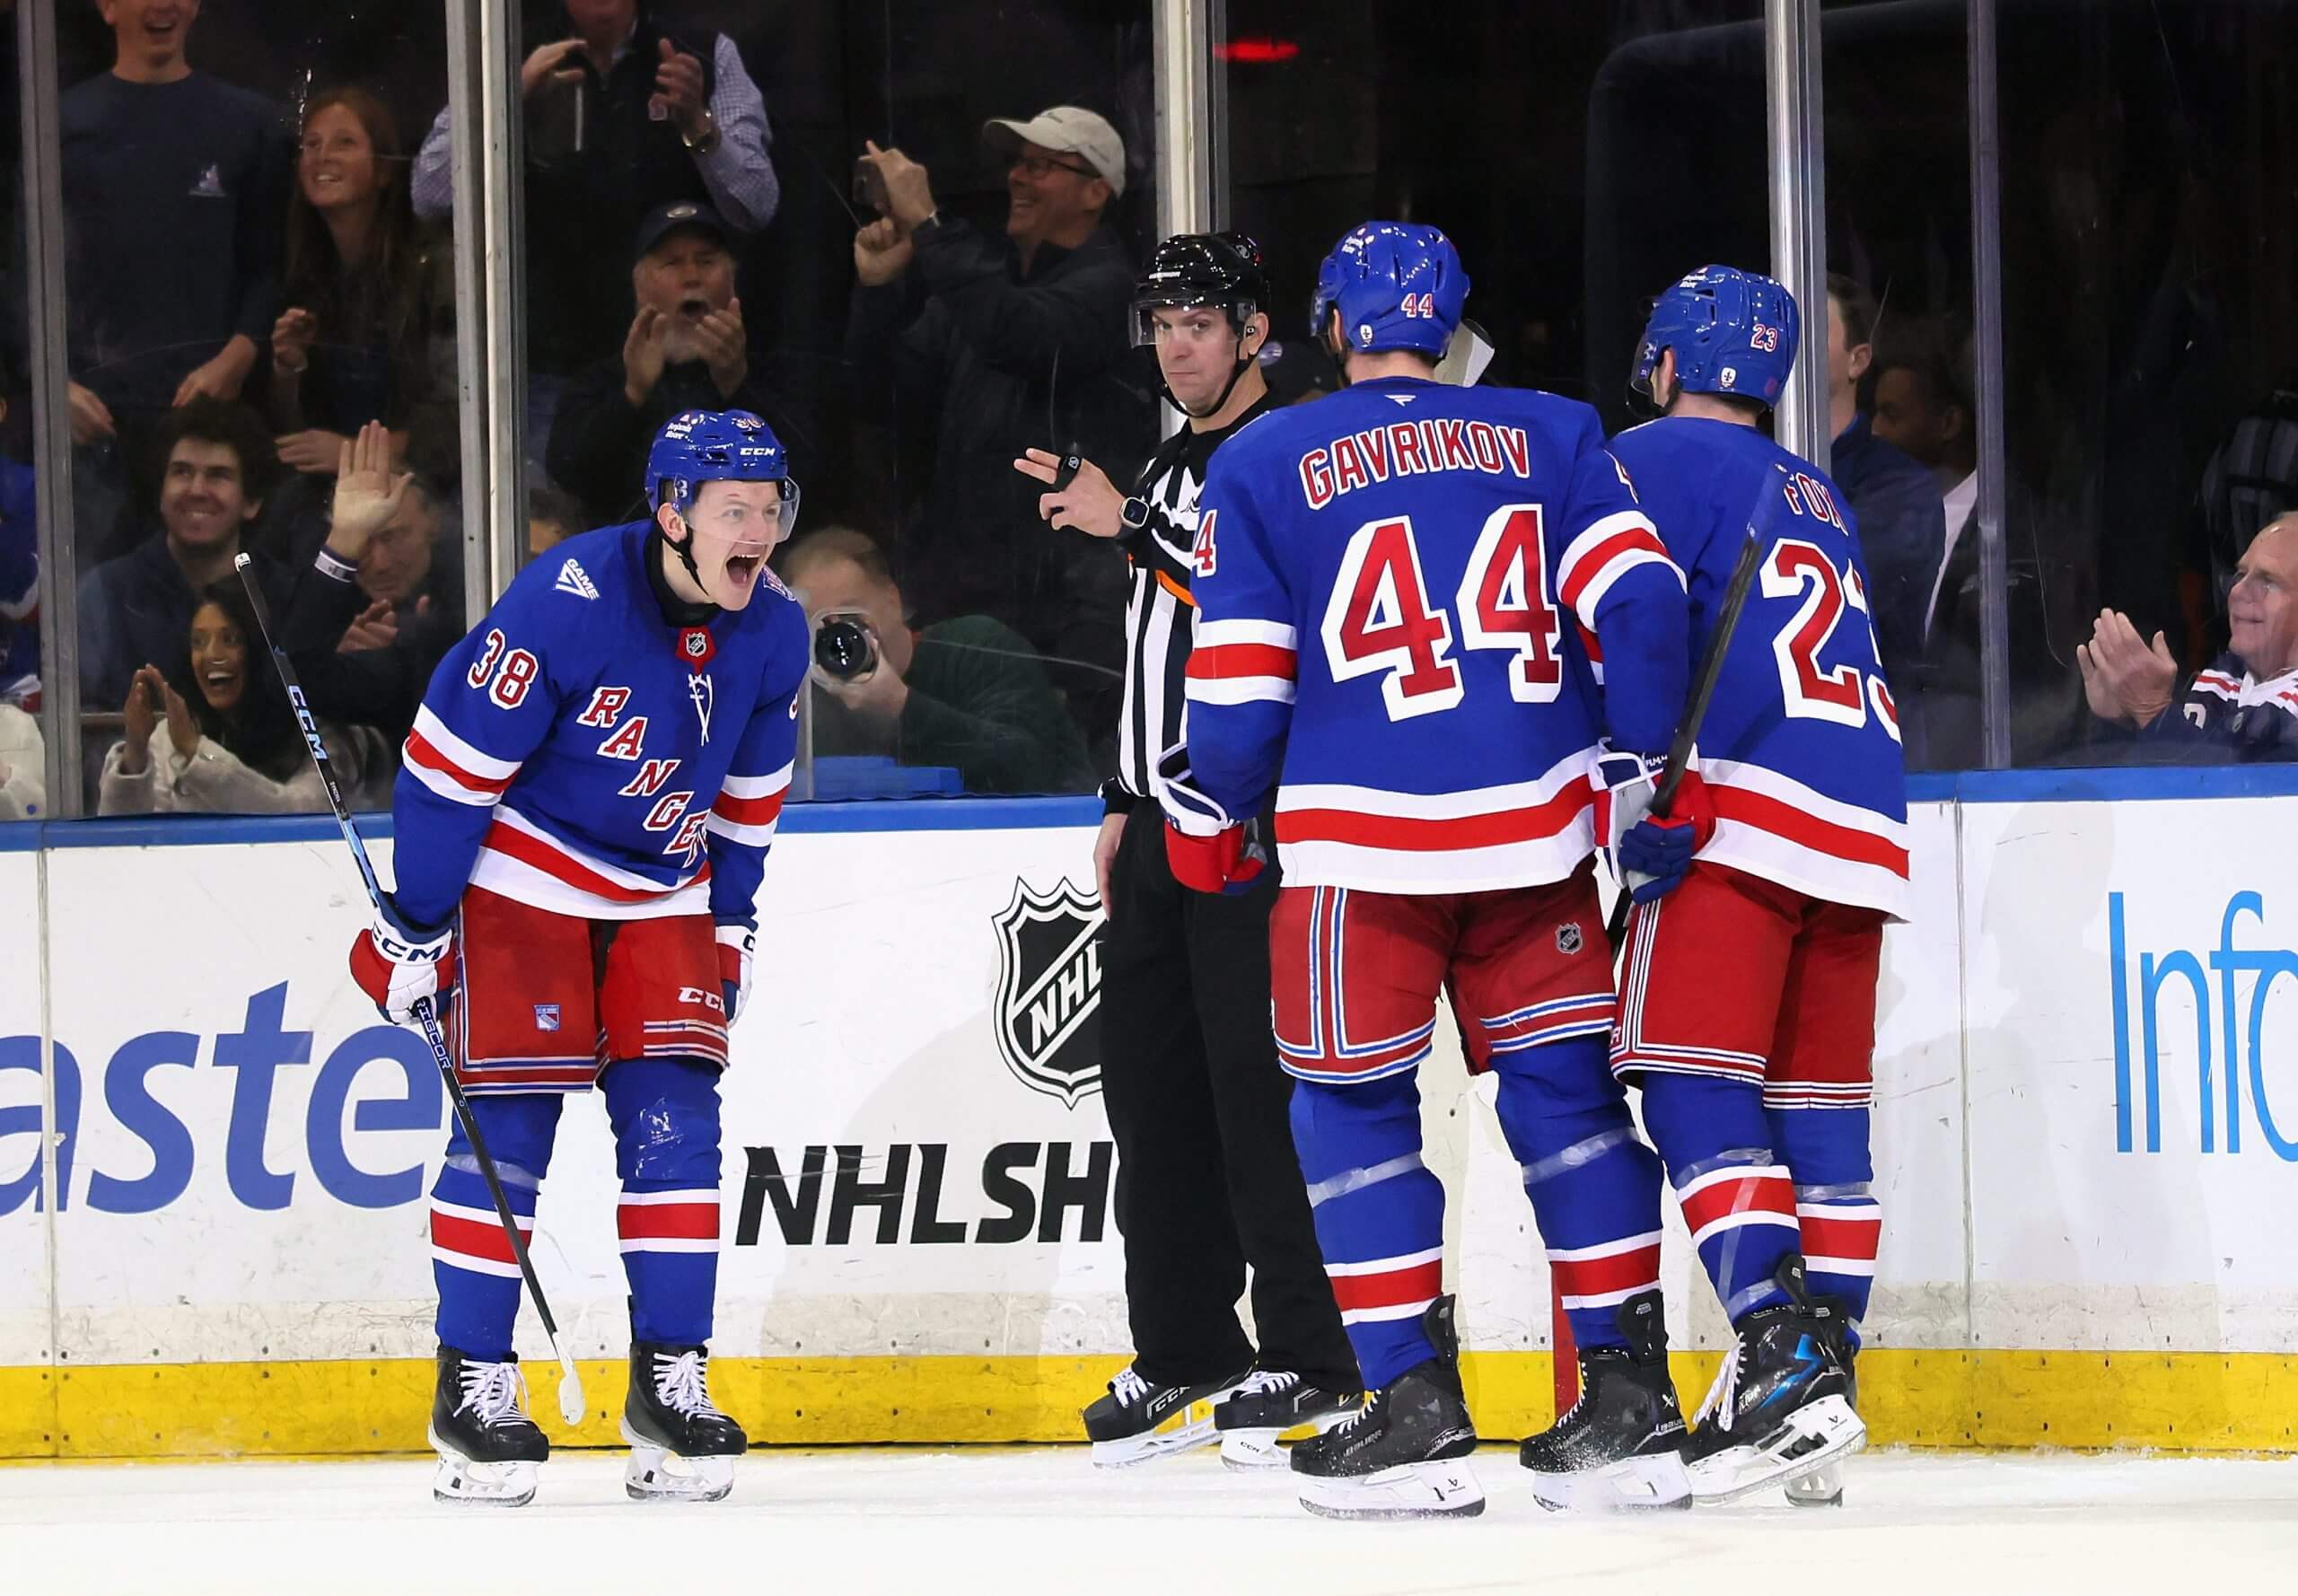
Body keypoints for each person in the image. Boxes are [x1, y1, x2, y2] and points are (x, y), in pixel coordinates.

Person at [1159, 222, 1693, 1519]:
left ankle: (1413, 1399)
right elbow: (1644, 606)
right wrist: (1646, 772)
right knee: (1567, 1106)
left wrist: (1213, 808)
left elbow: (1237, 684)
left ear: (1333, 326)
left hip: (1358, 845)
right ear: (1453, 325)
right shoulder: (1557, 431)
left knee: (1348, 1111)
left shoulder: (1265, 453)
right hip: (1536, 841)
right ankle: (1631, 1394)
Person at [347, 408, 807, 1507]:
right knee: (506, 1124)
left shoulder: (774, 628)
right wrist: (414, 923)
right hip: (521, 878)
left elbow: (748, 805)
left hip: (663, 891)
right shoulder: (566, 600)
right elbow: (446, 769)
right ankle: (472, 1382)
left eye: (770, 509)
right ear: (668, 512)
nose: (758, 531)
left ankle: (669, 1382)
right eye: (733, 510)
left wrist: (730, 926)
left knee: (676, 1123)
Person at [1005, 233, 1359, 1467]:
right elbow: (1157, 650)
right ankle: (1186, 1349)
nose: (1176, 345)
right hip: (1158, 826)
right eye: (1160, 323)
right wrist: (1118, 790)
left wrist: (1130, 518)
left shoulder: (1296, 451)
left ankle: (1317, 1358)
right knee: (1152, 1103)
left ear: (1257, 329)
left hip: (1253, 833)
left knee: (1258, 1104)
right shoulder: (1171, 458)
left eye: (1200, 322)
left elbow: (1270, 602)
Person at [1592, 266, 1903, 1507]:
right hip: (1861, 819)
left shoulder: (1645, 459)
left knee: (1688, 1081)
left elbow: (1634, 613)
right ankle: (1824, 1380)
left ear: (1665, 362)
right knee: (1823, 1117)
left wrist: (1628, 786)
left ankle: (1776, 1354)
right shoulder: (1816, 483)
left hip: (1734, 805)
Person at [845, 106, 1150, 751]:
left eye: (1042, 165)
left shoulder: (1113, 288)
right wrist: (877, 290)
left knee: (1058, 777)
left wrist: (929, 224)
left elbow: (1024, 334)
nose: (1019, 177)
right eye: (1017, 163)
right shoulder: (980, 293)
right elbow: (881, 398)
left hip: (1069, 624)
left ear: (1097, 193)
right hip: (971, 603)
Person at [411, 1, 778, 445]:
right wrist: (508, 101)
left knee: (682, 507)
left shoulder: (700, 53)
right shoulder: (506, 51)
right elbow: (428, 195)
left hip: (684, 371)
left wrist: (698, 123)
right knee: (549, 511)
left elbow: (757, 204)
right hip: (544, 371)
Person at [60, 0, 291, 558]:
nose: (163, 5)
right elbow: (22, 275)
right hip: (92, 431)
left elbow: (271, 264)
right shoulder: (59, 125)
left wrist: (238, 354)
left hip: (207, 429)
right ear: (107, 7)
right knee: (95, 618)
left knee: (217, 626)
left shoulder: (249, 122)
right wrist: (51, 387)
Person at [778, 528, 1088, 795]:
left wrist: (899, 705)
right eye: (818, 626)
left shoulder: (977, 649)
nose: (838, 637)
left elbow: (1030, 770)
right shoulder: (806, 697)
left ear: (892, 599)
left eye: (848, 616)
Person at [547, 202, 790, 529]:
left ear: (732, 283)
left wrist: (736, 385)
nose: (691, 277)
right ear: (641, 286)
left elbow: (805, 480)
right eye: (672, 263)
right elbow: (568, 474)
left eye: (706, 262)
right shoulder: (603, 382)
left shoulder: (771, 377)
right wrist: (632, 395)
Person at [270, 86, 457, 486]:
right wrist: (289, 368)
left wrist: (355, 454)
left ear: (384, 170)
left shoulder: (434, 267)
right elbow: (297, 438)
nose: (323, 157)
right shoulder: (306, 276)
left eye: (345, 143)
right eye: (312, 144)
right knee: (254, 542)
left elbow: (464, 418)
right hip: (331, 488)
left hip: (423, 491)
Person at [96, 579, 384, 815]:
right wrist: (135, 753)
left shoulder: (326, 733)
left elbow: (299, 814)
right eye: (199, 642)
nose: (211, 655)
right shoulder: (171, 735)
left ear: (262, 651)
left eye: (230, 639)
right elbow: (123, 844)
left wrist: (199, 754)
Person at [77, 399, 285, 713]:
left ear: (252, 502)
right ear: (160, 493)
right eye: (182, 472)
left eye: (218, 475)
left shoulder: (284, 595)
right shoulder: (105, 594)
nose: (197, 490)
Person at [276, 425, 465, 750]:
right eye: (364, 542)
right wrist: (344, 540)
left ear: (432, 522)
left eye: (394, 536)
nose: (379, 563)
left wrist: (418, 635)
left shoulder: (475, 591)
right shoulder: (330, 614)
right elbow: (298, 681)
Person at [2081, 513, 2298, 760]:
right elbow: (2156, 780)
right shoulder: (2228, 671)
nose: (2238, 591)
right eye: (2240, 575)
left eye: (2268, 581)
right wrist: (2122, 721)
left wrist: (2153, 711)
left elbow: (2234, 792)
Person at [1823, 275, 1943, 699]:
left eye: (1812, 329)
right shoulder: (1749, 465)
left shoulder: (1902, 486)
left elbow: (1840, 596)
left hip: (1876, 735)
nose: (1789, 345)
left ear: (1858, 360)